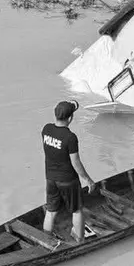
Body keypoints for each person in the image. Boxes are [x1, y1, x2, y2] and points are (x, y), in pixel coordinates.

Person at [42, 100, 96, 243]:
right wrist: (88, 180)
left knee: (51, 211)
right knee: (77, 210)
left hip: (50, 178)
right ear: (71, 118)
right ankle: (79, 240)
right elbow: (76, 162)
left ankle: (45, 240)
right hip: (67, 180)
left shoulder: (46, 129)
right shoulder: (70, 137)